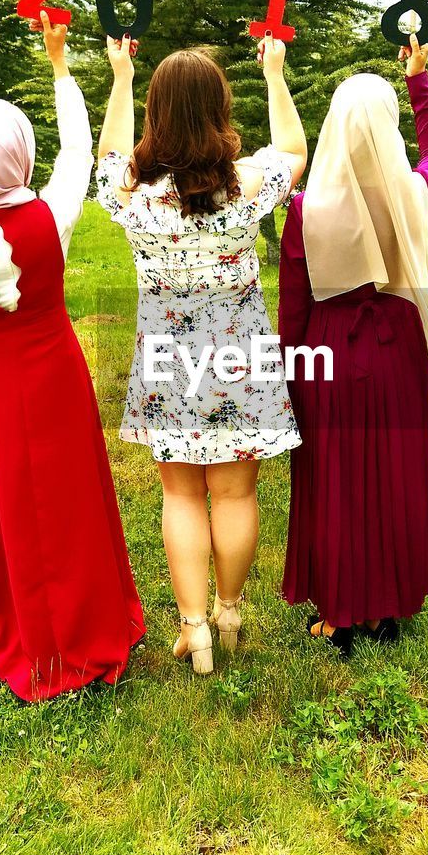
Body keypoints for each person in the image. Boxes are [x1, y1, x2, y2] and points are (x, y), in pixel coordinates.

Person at [0, 12, 145, 701]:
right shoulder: (51, 214)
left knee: (13, 506)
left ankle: (34, 640)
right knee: (72, 500)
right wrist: (61, 68)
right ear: (18, 151)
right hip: (55, 373)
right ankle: (91, 625)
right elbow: (77, 153)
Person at [96, 33, 307, 674]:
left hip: (168, 363)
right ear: (220, 108)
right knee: (237, 493)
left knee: (182, 496)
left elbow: (108, 150)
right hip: (238, 359)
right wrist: (274, 73)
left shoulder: (134, 192)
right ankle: (231, 610)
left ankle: (196, 630)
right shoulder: (247, 185)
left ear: (157, 113)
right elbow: (296, 150)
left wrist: (122, 76)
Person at [278, 33, 428, 656]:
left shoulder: (304, 210)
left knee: (333, 478)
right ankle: (389, 608)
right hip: (397, 349)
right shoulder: (411, 197)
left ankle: (340, 615)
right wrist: (418, 83)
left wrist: (287, 373)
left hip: (327, 349)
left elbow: (294, 304)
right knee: (396, 477)